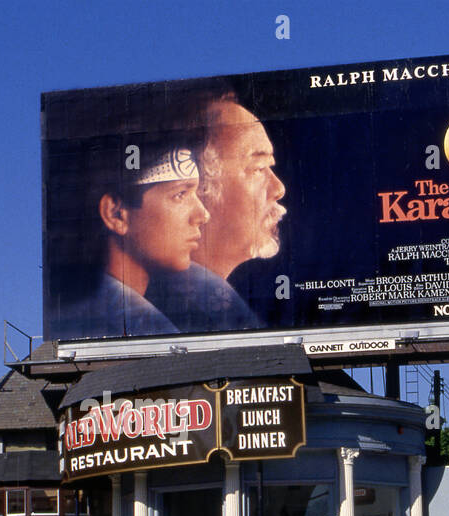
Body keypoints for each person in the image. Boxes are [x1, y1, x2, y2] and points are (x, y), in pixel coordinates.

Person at [55, 117, 211, 339]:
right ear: (116, 214)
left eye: (195, 193)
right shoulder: (139, 327)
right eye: (180, 194)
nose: (203, 214)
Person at [146, 93, 286, 333]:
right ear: (194, 187)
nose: (279, 189)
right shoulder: (168, 319)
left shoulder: (207, 310)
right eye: (259, 168)